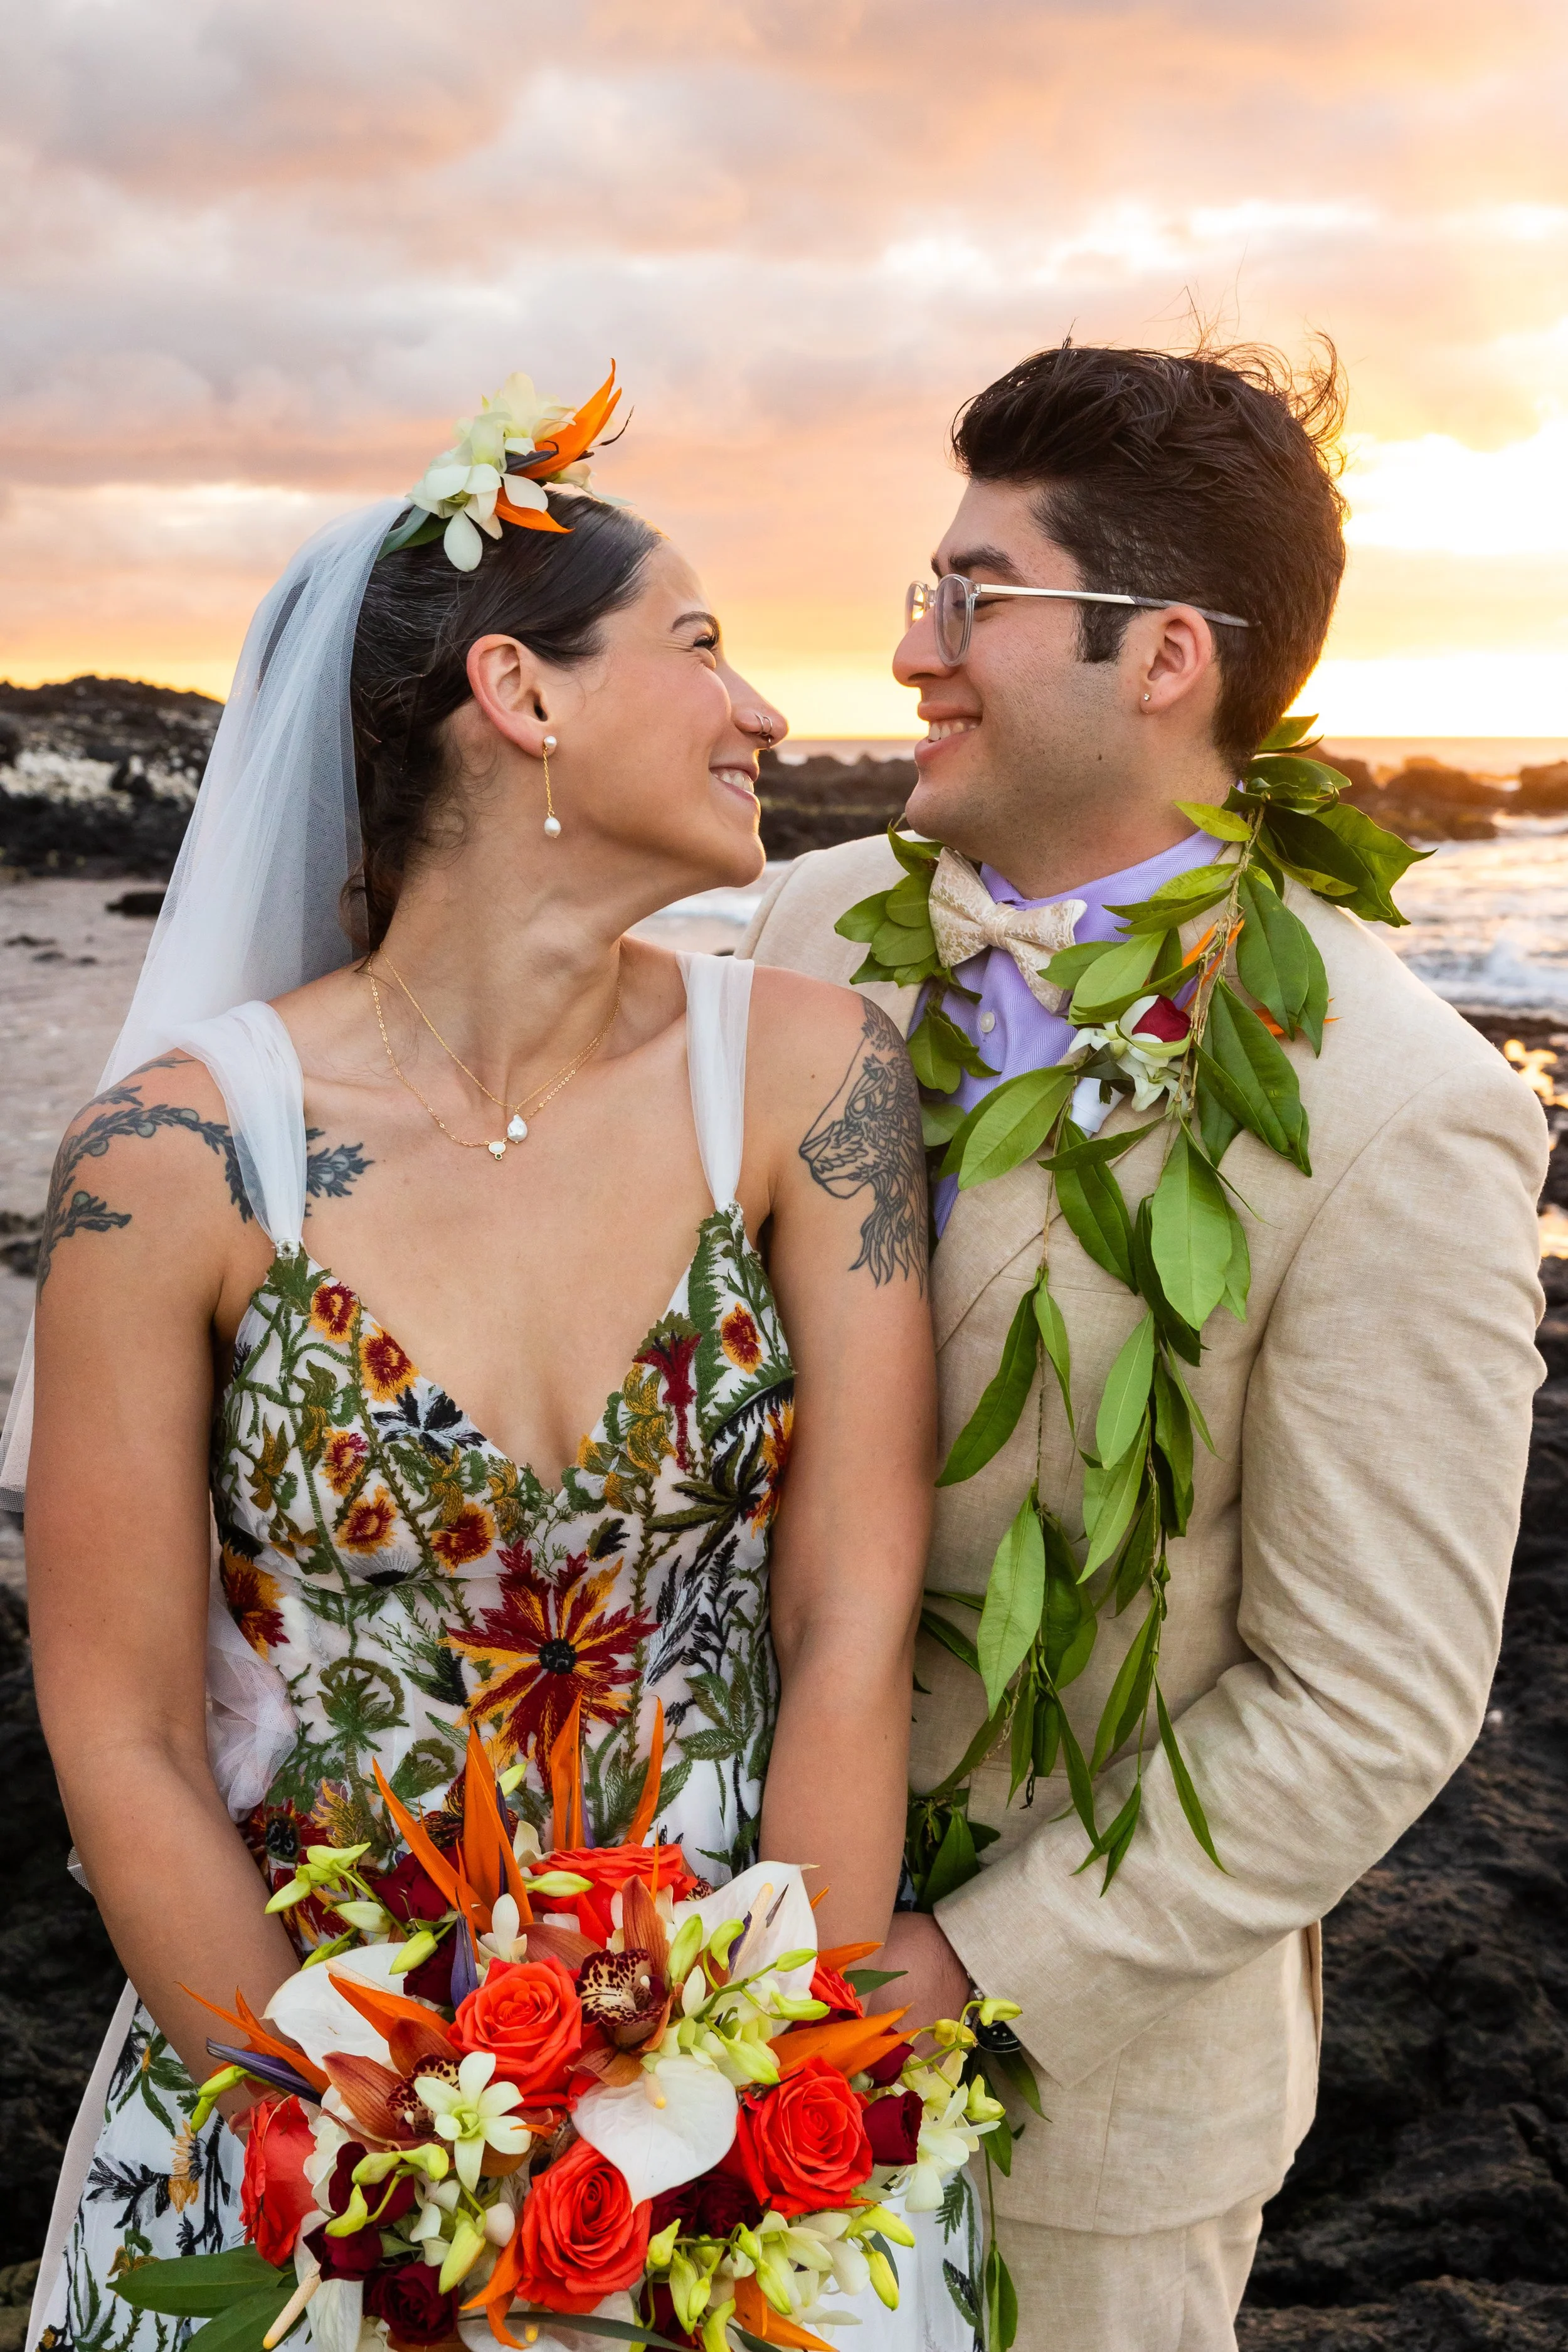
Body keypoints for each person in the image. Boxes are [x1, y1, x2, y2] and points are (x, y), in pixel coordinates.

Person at [17, 374, 955, 2349]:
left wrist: (759, 2082)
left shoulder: (804, 1076)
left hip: (737, 2067)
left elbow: (849, 1610)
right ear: (521, 697)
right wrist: (369, 2144)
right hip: (299, 2084)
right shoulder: (172, 1164)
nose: (767, 711)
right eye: (701, 645)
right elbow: (121, 1729)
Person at [742, 341, 1549, 2351]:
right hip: (673, 2000)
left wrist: (948, 1964)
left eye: (969, 595)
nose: (914, 649)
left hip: (1072, 2140)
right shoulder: (777, 937)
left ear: (1162, 654)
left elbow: (1368, 1697)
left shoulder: (1391, 1104)